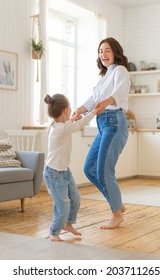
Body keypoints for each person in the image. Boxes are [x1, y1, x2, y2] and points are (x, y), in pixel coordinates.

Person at [72, 37, 131, 230]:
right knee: (90, 169)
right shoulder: (104, 76)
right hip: (103, 124)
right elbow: (93, 99)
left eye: (106, 50)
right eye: (100, 51)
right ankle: (117, 203)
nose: (103, 55)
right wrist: (79, 110)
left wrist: (105, 102)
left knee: (105, 171)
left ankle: (116, 214)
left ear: (115, 52)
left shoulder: (121, 70)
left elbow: (119, 93)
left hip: (115, 123)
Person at [43, 93, 100, 242]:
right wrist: (93, 112)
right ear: (67, 110)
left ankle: (67, 224)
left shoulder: (61, 125)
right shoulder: (60, 128)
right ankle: (53, 231)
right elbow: (79, 125)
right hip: (53, 173)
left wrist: (73, 119)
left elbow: (71, 124)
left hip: (64, 171)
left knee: (75, 198)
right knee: (63, 204)